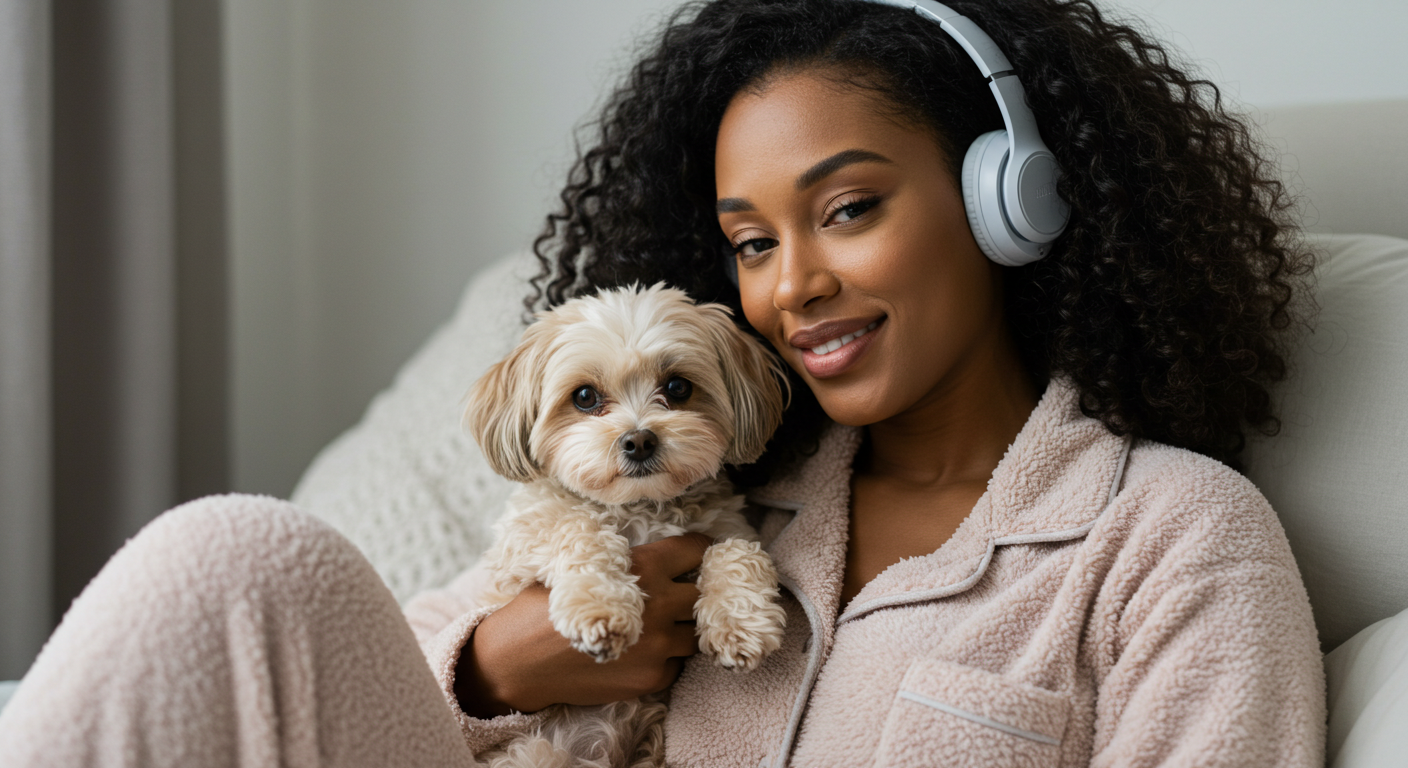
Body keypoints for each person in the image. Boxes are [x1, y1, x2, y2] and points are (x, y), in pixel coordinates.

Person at [0, 0, 1324, 766]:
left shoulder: (1172, 539)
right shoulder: (726, 481)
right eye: (751, 243)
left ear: (1007, 204)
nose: (790, 283)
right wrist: (490, 670)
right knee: (238, 559)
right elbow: (364, 675)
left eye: (848, 209)